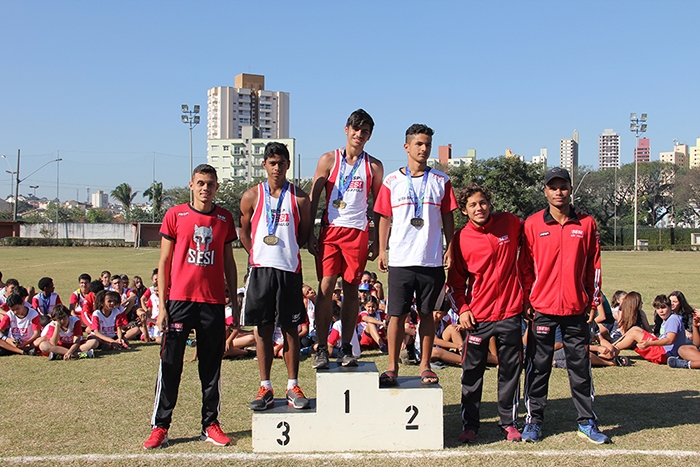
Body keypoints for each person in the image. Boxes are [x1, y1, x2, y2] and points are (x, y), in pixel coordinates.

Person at [144, 163, 238, 450]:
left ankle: (210, 425)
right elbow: (164, 261)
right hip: (179, 301)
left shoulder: (224, 218)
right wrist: (162, 306)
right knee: (170, 365)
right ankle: (160, 427)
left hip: (211, 303)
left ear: (217, 187)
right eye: (200, 183)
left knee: (211, 367)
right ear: (191, 185)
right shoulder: (175, 215)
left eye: (210, 184)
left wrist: (233, 299)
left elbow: (229, 262)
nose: (205, 188)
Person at [519, 167, 610, 444]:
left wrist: (593, 301)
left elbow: (594, 266)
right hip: (542, 309)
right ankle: (534, 420)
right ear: (545, 191)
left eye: (563, 187)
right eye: (553, 187)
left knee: (580, 367)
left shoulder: (586, 223)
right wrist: (526, 300)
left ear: (570, 189)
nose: (559, 192)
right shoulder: (533, 224)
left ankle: (586, 420)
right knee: (538, 366)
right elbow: (525, 267)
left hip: (576, 309)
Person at [374, 123, 457, 387]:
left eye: (428, 144)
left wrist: (450, 247)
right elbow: (385, 217)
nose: (424, 149)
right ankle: (392, 366)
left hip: (430, 259)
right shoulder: (391, 181)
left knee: (427, 314)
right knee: (395, 315)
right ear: (407, 146)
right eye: (419, 144)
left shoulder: (441, 180)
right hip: (400, 259)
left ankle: (425, 365)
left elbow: (448, 217)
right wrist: (382, 249)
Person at [446, 183, 524, 443]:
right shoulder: (461, 238)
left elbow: (535, 233)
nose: (479, 208)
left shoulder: (510, 223)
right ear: (465, 210)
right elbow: (455, 284)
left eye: (482, 203)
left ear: (489, 203)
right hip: (478, 317)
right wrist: (464, 310)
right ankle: (470, 424)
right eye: (472, 205)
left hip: (511, 312)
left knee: (510, 370)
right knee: (472, 372)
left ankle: (509, 422)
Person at [308, 109, 384, 369]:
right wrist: (310, 232)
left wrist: (376, 240)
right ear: (346, 129)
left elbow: (378, 204)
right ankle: (320, 346)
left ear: (369, 136)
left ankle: (347, 347)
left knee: (352, 289)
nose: (359, 135)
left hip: (358, 232)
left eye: (365, 132)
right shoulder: (329, 159)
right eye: (355, 129)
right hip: (330, 230)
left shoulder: (373, 166)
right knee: (326, 287)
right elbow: (314, 198)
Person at [239, 142, 312, 412]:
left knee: (291, 329)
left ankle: (293, 385)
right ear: (264, 165)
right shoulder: (251, 196)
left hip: (289, 269)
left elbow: (303, 235)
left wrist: (287, 251)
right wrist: (257, 253)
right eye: (272, 163)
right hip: (260, 270)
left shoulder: (300, 198)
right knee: (263, 329)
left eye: (281, 163)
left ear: (288, 165)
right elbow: (244, 231)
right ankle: (265, 386)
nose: (277, 167)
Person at [614, 294, 686, 364]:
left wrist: (649, 343)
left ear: (670, 307)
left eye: (663, 308)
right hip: (663, 350)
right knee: (635, 329)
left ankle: (612, 351)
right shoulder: (668, 319)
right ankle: (613, 346)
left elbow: (670, 340)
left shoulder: (673, 319)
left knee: (634, 333)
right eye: (658, 308)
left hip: (666, 354)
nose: (661, 311)